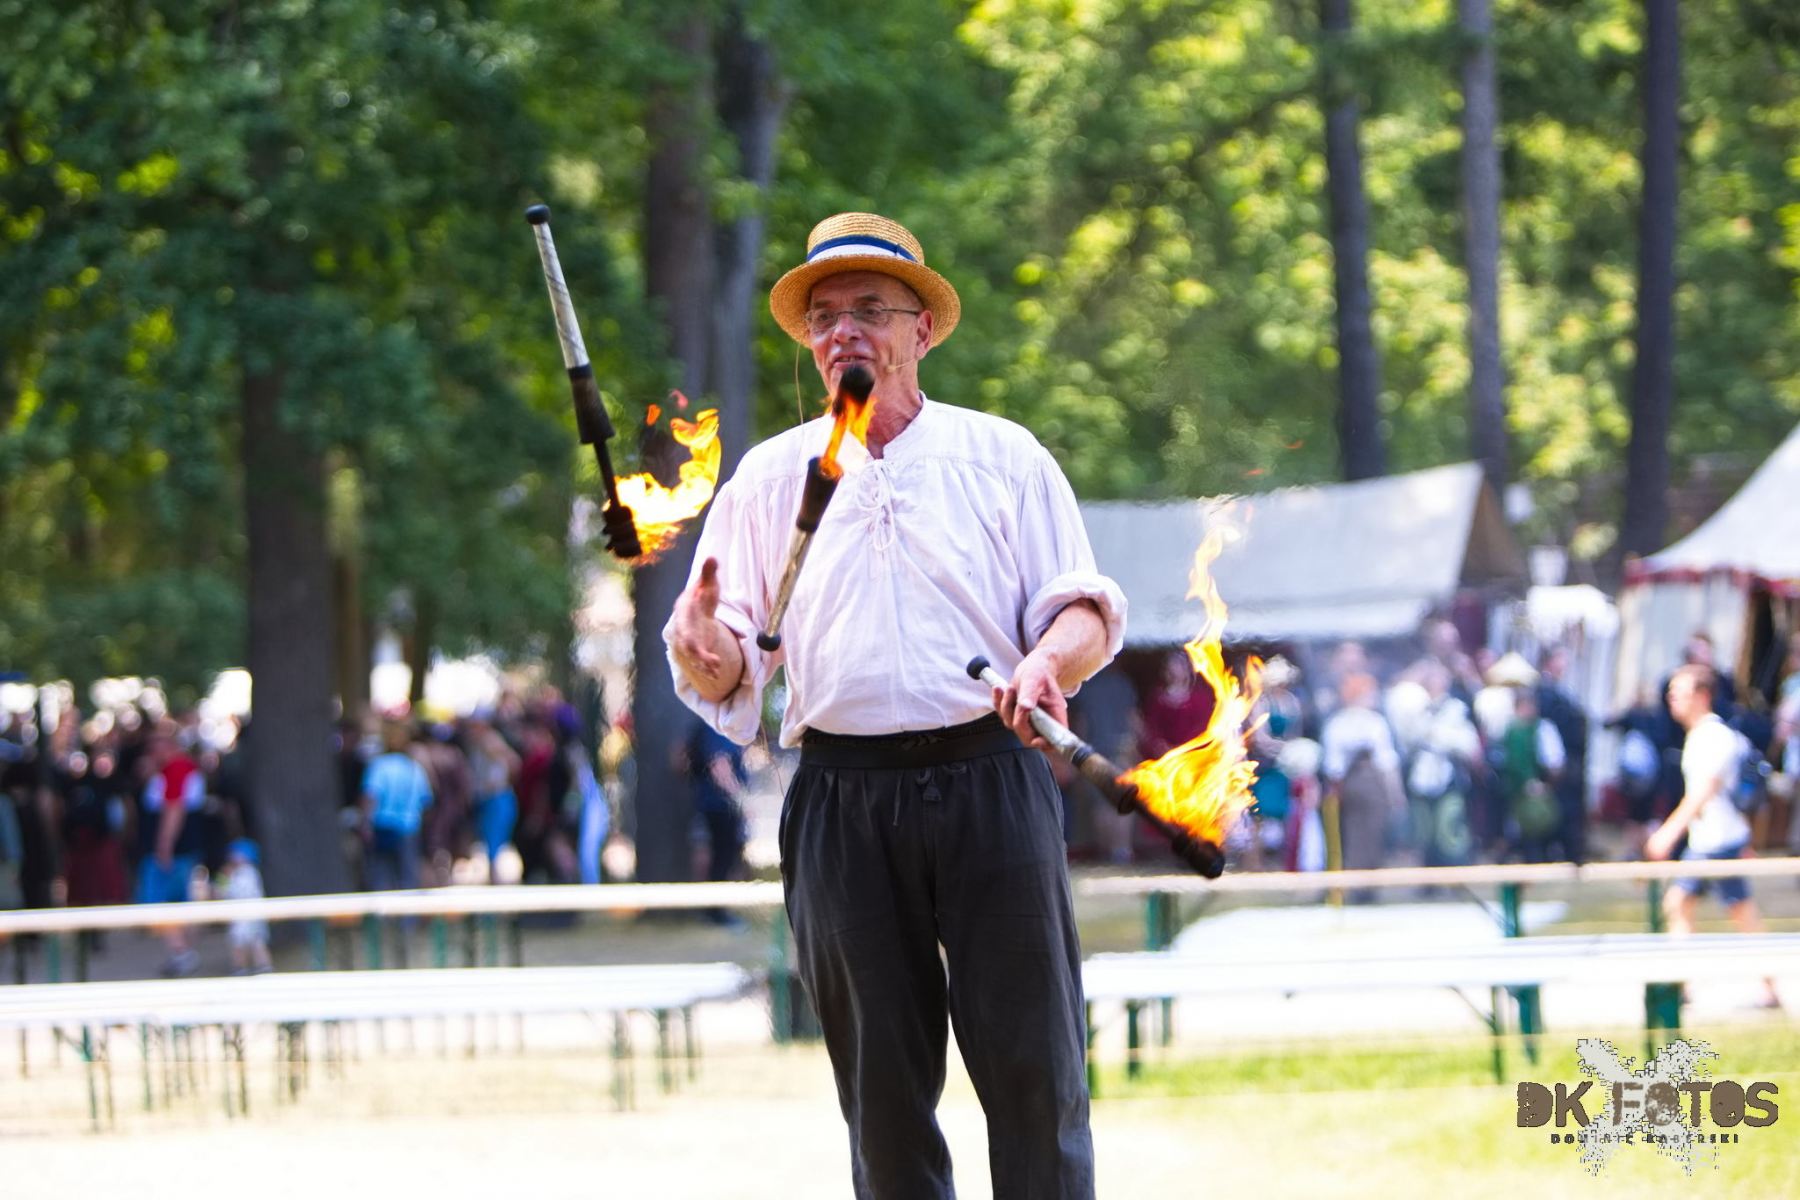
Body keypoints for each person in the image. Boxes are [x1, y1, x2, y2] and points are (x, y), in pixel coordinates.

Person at [665, 211, 1124, 1198]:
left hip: (991, 774)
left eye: (870, 309)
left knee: (1036, 1073)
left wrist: (1047, 661)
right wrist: (704, 648)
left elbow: (1084, 609)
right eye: (825, 316)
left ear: (921, 329)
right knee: (881, 1098)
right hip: (844, 794)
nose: (845, 332)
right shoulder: (766, 480)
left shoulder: (1002, 456)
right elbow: (731, 658)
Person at [1646, 665, 1780, 1009]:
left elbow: (1704, 792)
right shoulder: (1701, 735)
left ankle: (1765, 986)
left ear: (1702, 696)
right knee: (1681, 903)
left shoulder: (1712, 737)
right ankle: (1684, 984)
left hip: (1718, 842)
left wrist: (1667, 834)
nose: (1672, 699)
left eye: (1680, 692)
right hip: (1709, 840)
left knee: (1738, 914)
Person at [137, 725, 208, 976]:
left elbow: (174, 808)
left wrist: (164, 845)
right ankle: (182, 951)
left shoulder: (176, 769)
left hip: (174, 850)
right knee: (177, 901)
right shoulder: (174, 769)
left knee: (158, 901)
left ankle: (182, 952)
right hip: (181, 848)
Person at [1319, 672, 1403, 875]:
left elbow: (1333, 766)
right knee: (1369, 833)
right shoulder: (1373, 722)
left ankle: (1358, 878)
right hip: (1368, 782)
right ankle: (1363, 880)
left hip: (1349, 784)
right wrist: (1395, 793)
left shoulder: (1337, 722)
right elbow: (1386, 763)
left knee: (1355, 833)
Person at [686, 717, 750, 929]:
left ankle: (714, 911)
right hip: (721, 807)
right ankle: (716, 912)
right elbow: (720, 767)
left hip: (711, 805)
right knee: (721, 859)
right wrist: (740, 800)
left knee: (719, 858)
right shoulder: (718, 726)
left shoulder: (707, 724)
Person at [359, 720, 433, 893]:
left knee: (381, 879)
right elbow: (426, 800)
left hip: (382, 828)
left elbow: (370, 796)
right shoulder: (414, 768)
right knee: (408, 881)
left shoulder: (379, 766)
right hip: (409, 828)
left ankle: (383, 910)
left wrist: (364, 823)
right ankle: (408, 911)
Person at [218, 838, 272, 975]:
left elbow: (231, 892)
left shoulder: (246, 872)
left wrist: (225, 880)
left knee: (251, 943)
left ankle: (253, 968)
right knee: (250, 943)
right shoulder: (242, 872)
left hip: (246, 915)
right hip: (245, 916)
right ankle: (248, 968)